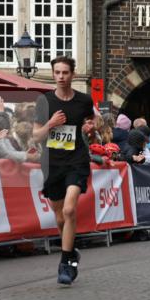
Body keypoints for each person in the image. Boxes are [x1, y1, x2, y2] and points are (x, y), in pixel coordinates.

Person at [32, 57, 95, 286]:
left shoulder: (84, 100)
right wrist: (50, 124)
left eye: (65, 72)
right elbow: (36, 136)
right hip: (52, 163)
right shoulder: (44, 101)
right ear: (53, 74)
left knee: (69, 210)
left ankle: (65, 264)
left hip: (76, 160)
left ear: (73, 74)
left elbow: (90, 120)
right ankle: (71, 252)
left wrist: (89, 127)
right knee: (59, 218)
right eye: (57, 72)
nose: (61, 77)